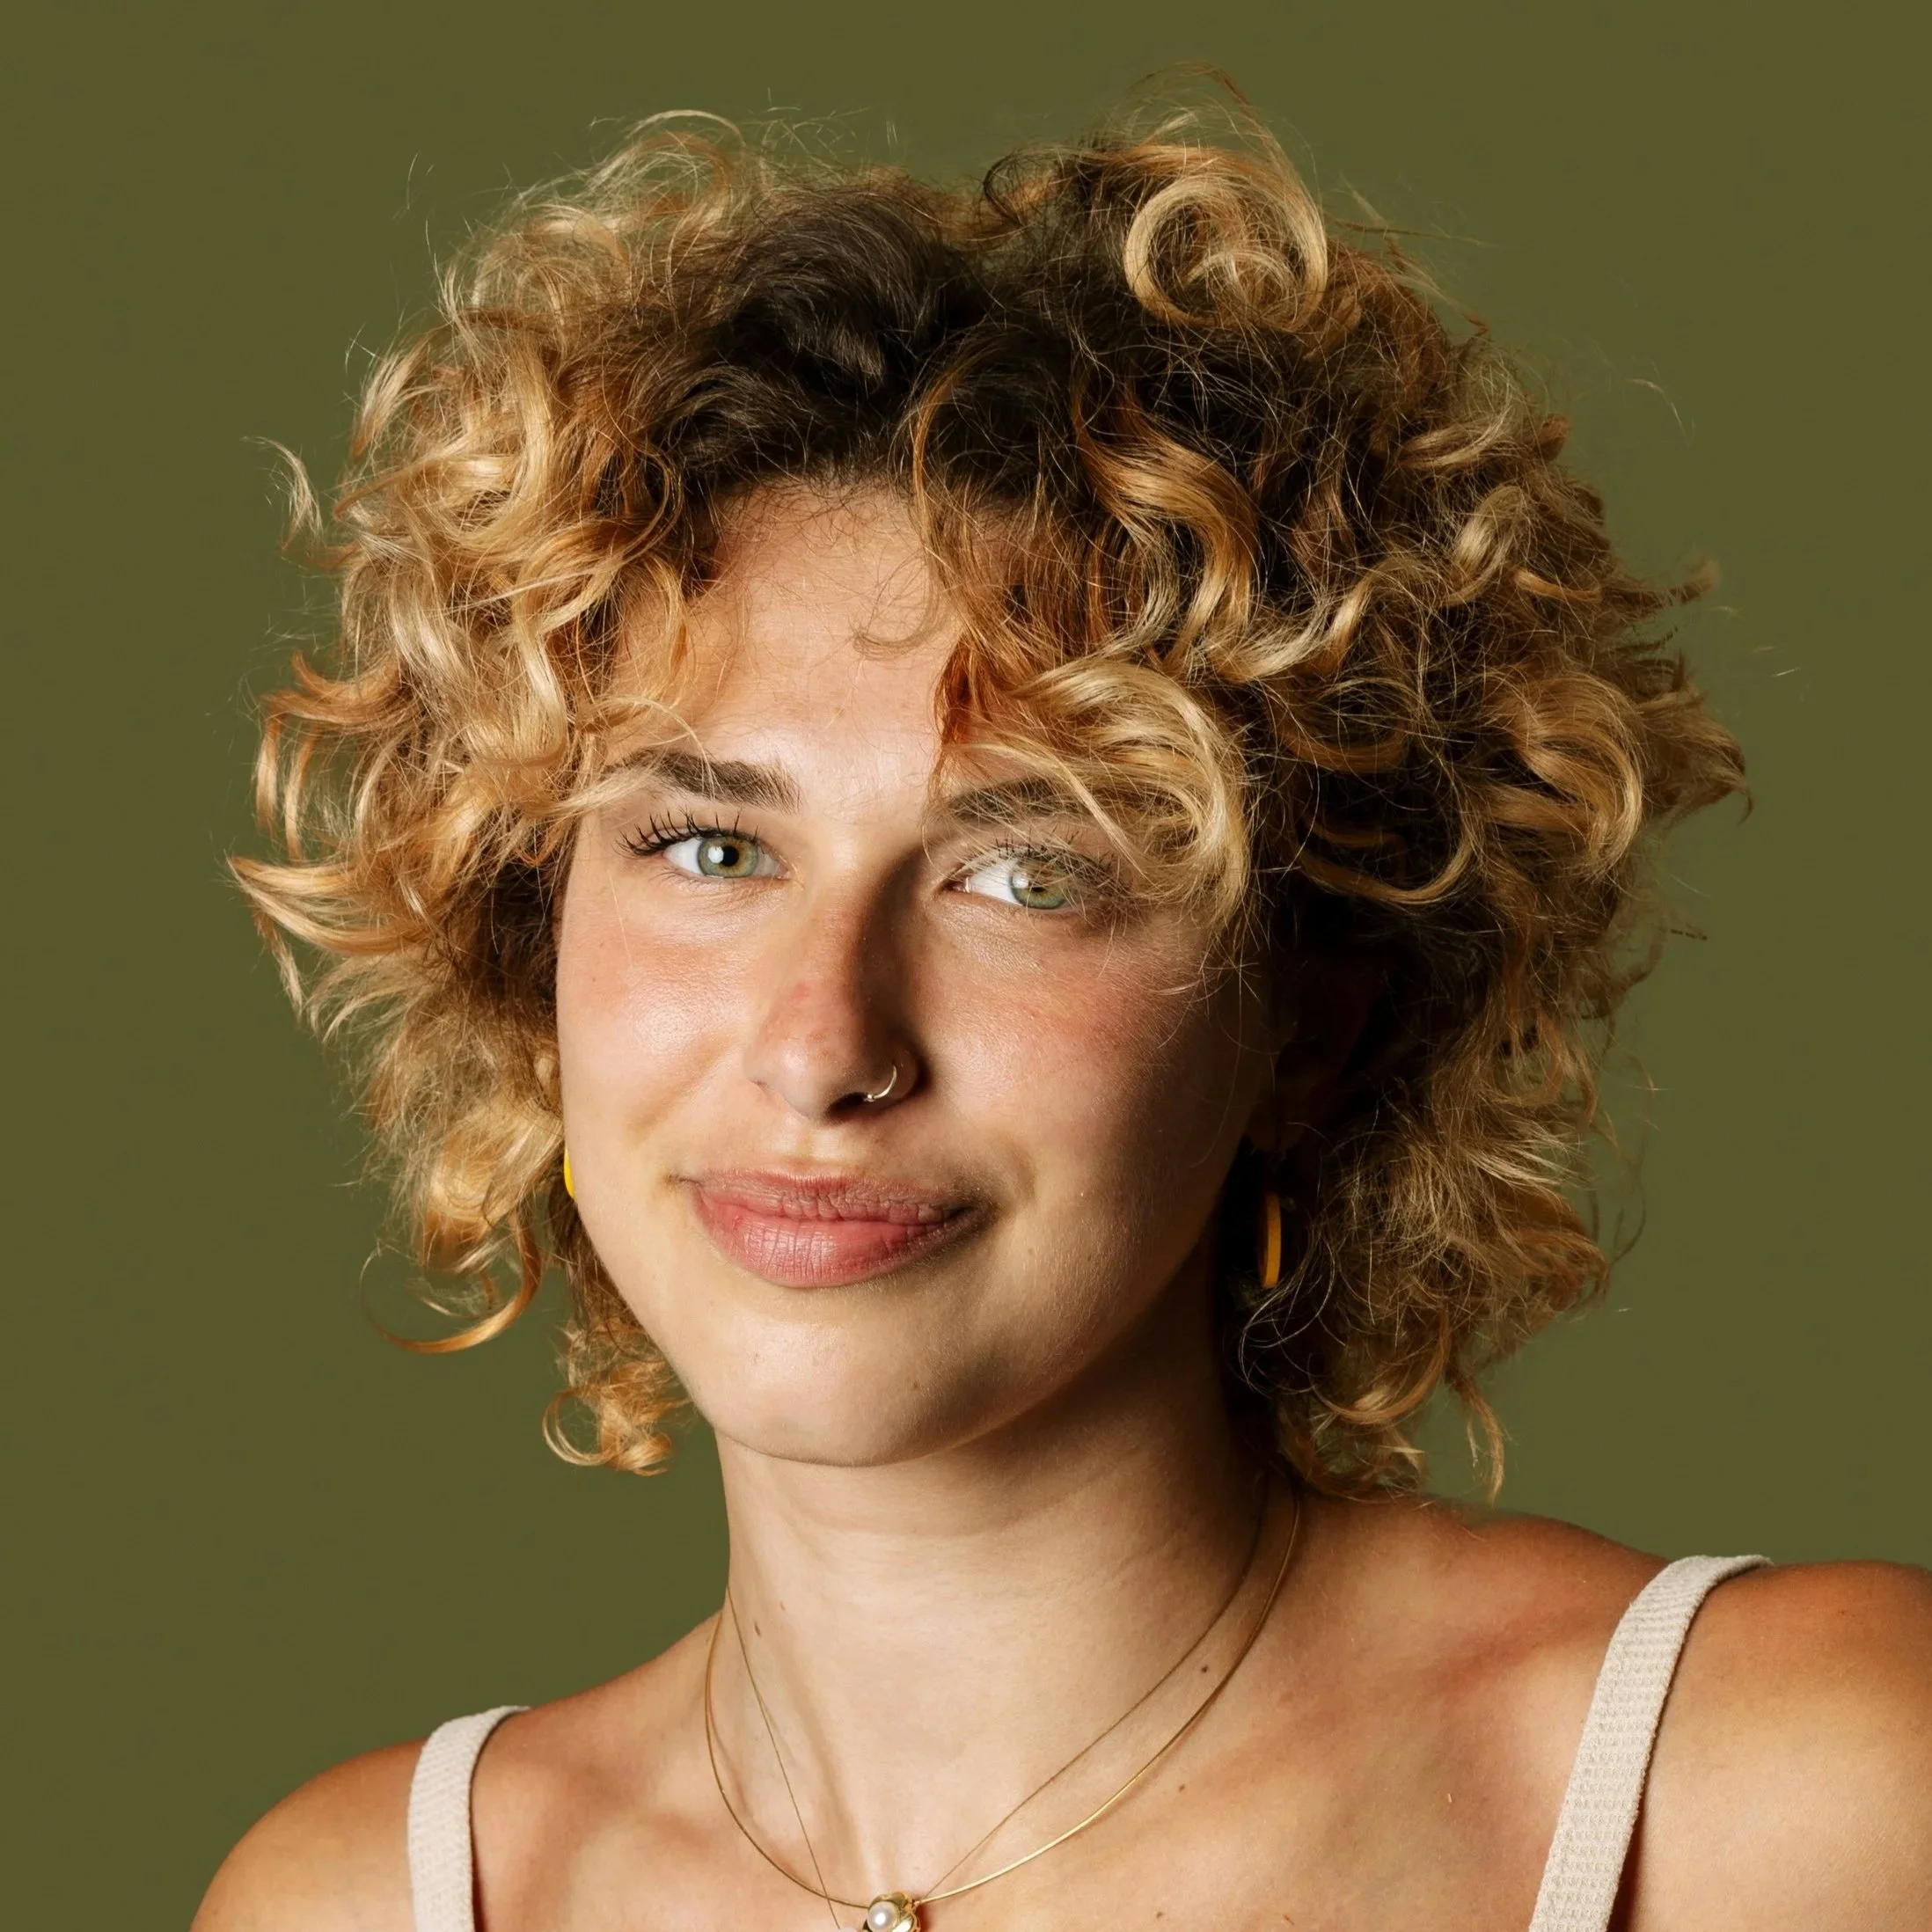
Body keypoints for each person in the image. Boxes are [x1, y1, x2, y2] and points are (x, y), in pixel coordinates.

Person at [197, 94, 1931, 1932]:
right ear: (529, 935)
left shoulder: (1803, 1794)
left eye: (1031, 873)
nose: (820, 1046)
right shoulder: (365, 1901)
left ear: (1310, 1020)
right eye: (709, 847)